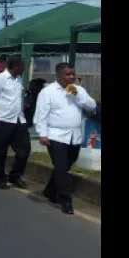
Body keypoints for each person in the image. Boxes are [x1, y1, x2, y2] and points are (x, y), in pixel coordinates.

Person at [34, 63, 97, 215]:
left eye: (72, 74)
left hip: (74, 137)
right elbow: (41, 114)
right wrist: (42, 134)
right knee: (62, 168)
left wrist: (77, 95)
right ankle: (65, 200)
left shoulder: (78, 90)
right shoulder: (48, 92)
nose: (71, 77)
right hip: (55, 136)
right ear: (59, 76)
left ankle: (50, 191)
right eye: (67, 74)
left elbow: (92, 105)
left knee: (65, 166)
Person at [0, 57, 30, 189]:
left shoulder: (18, 79)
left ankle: (14, 176)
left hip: (19, 120)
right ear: (16, 67)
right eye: (23, 67)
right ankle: (0, 178)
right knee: (0, 152)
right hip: (3, 120)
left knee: (24, 150)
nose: (24, 69)